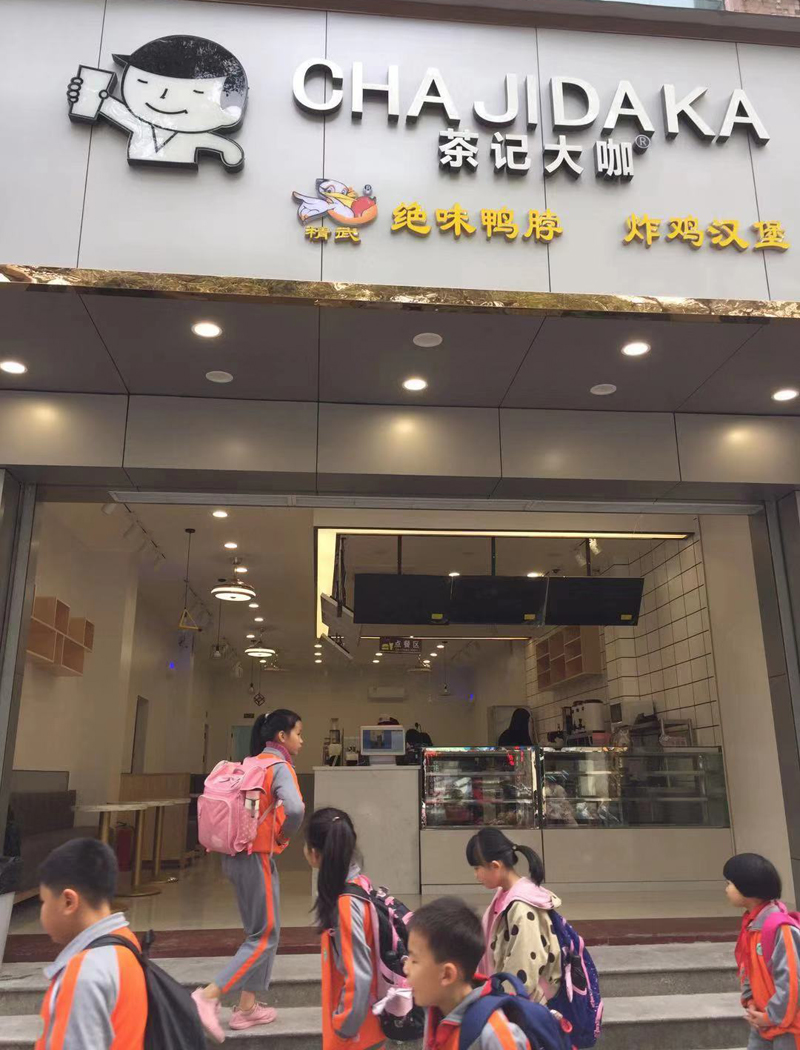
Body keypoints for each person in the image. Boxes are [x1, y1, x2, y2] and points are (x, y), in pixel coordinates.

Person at [194, 709, 305, 1042]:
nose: (302, 740)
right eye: (298, 733)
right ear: (282, 736)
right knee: (264, 936)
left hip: (234, 855)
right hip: (256, 857)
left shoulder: (249, 763)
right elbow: (296, 808)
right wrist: (285, 835)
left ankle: (247, 1007)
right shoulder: (279, 767)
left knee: (263, 932)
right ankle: (209, 996)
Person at [67, 35, 248, 171]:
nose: (163, 96)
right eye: (143, 82)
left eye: (197, 92)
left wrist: (229, 149)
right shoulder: (141, 124)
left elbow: (214, 142)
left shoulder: (192, 133)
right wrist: (88, 95)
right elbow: (113, 110)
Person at [35, 838, 147, 1050]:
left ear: (69, 902)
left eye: (44, 901)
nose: (42, 912)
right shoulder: (125, 942)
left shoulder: (84, 973)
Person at [404, 896, 533, 1050]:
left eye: (414, 960)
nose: (406, 968)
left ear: (447, 975)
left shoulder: (494, 1035)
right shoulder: (436, 1012)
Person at [304, 807, 385, 1050]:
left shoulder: (345, 904)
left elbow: (358, 976)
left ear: (315, 853)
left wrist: (343, 1026)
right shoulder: (361, 885)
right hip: (368, 1027)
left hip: (355, 1036)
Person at [467, 828, 561, 1003]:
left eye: (477, 868)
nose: (475, 875)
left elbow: (523, 971)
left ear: (495, 866)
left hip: (524, 1006)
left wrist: (502, 1004)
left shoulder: (522, 908)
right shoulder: (507, 896)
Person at [725, 853, 800, 1048]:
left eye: (729, 883)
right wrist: (750, 1001)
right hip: (762, 1022)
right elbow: (748, 968)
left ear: (747, 887)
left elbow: (791, 982)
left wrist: (771, 1017)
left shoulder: (780, 928)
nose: (726, 889)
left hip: (789, 1029)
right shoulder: (752, 926)